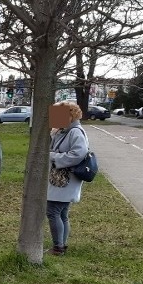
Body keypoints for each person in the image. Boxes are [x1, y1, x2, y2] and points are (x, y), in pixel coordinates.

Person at [46, 101, 89, 256]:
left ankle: (58, 247)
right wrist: (53, 133)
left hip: (65, 179)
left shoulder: (75, 132)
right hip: (61, 179)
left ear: (69, 116)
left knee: (53, 211)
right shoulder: (64, 131)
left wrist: (53, 157)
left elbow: (78, 154)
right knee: (61, 213)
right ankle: (61, 245)